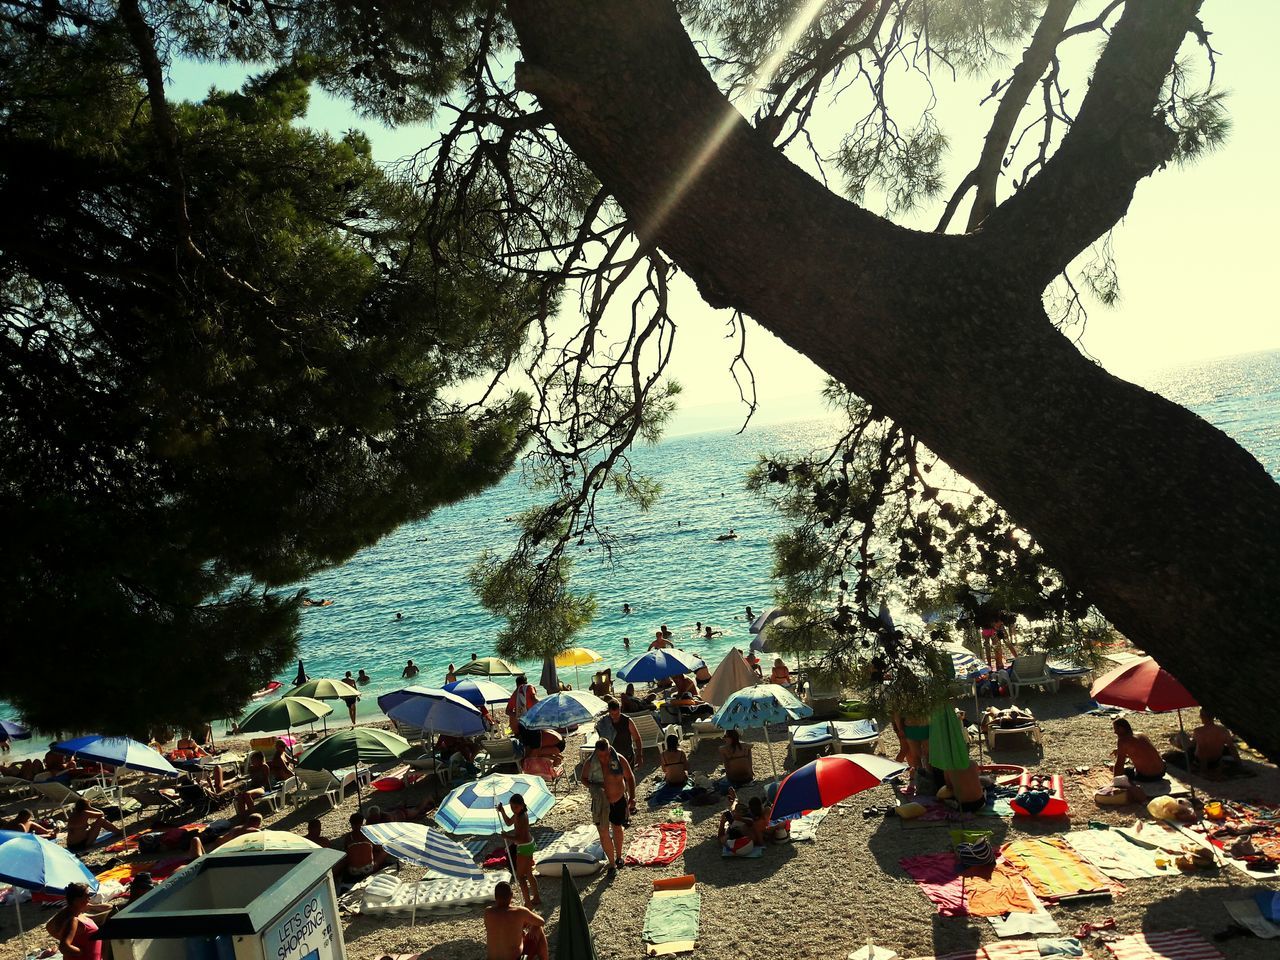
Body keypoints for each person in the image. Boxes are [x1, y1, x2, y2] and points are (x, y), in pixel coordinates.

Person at [579, 739, 636, 873]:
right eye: (600, 756)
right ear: (596, 752)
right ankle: (611, 864)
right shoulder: (590, 763)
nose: (604, 758)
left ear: (609, 750)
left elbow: (630, 777)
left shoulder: (619, 760)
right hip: (600, 802)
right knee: (603, 833)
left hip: (618, 800)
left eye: (605, 755)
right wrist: (594, 788)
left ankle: (619, 857)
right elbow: (583, 778)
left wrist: (632, 797)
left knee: (617, 828)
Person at [484, 881, 548, 960]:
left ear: (495, 897)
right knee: (538, 928)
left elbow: (496, 929)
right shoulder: (519, 912)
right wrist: (532, 928)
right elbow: (541, 922)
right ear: (511, 896)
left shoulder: (488, 912)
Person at [496, 795, 540, 907]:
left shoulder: (521, 818)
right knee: (529, 873)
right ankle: (536, 897)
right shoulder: (518, 814)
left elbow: (519, 838)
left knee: (520, 876)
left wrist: (507, 836)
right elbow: (508, 823)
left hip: (524, 846)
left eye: (515, 807)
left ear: (521, 806)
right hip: (529, 843)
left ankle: (528, 903)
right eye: (511, 806)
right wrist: (502, 811)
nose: (513, 809)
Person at [1169, 708, 1237, 774]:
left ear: (1203, 716)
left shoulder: (1198, 731)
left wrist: (1203, 768)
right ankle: (1176, 740)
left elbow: (1194, 747)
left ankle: (1174, 741)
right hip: (1216, 761)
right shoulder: (1223, 730)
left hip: (1199, 762)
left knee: (1182, 734)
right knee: (1184, 738)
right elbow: (1232, 747)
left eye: (1200, 715)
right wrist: (1239, 764)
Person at [49, 883, 107, 960]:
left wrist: (90, 906)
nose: (89, 898)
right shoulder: (73, 920)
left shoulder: (79, 915)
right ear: (76, 900)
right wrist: (80, 952)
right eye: (87, 895)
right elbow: (64, 947)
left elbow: (109, 907)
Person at [596, 700, 643, 768]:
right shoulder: (604, 722)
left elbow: (637, 738)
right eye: (612, 714)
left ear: (620, 709)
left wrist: (639, 756)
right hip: (612, 757)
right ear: (609, 711)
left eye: (617, 713)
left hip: (627, 755)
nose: (615, 716)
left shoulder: (627, 721)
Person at [235, 751, 275, 819]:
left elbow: (266, 780)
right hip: (252, 787)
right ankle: (243, 817)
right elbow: (251, 778)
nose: (252, 762)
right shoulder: (251, 768)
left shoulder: (264, 767)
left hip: (262, 788)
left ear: (259, 760)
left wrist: (269, 790)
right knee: (240, 795)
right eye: (251, 760)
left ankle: (253, 817)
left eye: (254, 760)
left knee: (247, 794)